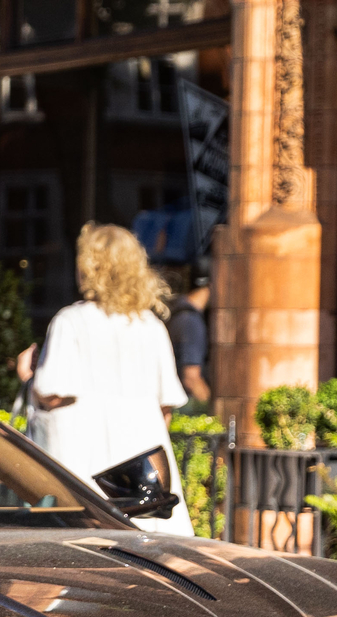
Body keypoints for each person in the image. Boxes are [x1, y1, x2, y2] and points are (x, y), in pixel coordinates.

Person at [27, 223, 191, 536]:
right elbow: (165, 411)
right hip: (143, 472)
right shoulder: (151, 327)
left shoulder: (71, 321)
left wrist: (28, 377)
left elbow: (51, 394)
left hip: (88, 464)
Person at [164, 263, 213, 405]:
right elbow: (191, 378)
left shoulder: (176, 312)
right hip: (184, 405)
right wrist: (210, 411)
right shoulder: (191, 321)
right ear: (211, 285)